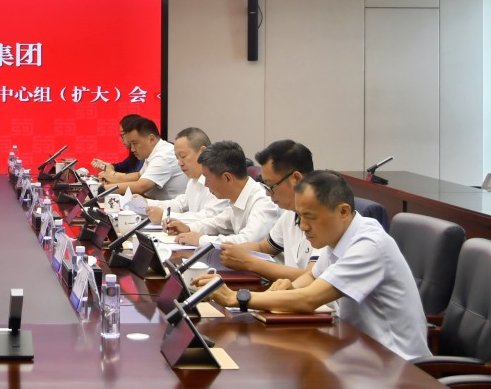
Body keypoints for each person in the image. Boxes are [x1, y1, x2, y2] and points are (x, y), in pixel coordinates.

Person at [194, 170, 430, 360]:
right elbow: (308, 281)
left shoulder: (369, 245)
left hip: (396, 364)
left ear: (343, 211)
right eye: (300, 216)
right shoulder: (339, 237)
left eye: (310, 217)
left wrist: (237, 298)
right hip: (358, 350)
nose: (303, 226)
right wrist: (285, 289)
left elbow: (310, 298)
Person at [218, 139, 319, 281]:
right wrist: (228, 251)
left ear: (296, 178)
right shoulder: (290, 214)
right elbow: (263, 247)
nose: (267, 193)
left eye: (271, 186)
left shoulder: (325, 219)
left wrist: (250, 263)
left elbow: (312, 278)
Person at [166, 140, 279, 245]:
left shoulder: (263, 201)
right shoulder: (238, 196)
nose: (205, 184)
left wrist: (200, 240)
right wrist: (189, 228)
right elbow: (217, 223)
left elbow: (248, 241)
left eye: (207, 178)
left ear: (227, 178)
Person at [142, 127, 228, 224]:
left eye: (183, 156)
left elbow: (209, 218)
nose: (180, 163)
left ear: (202, 153)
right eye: (177, 158)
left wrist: (165, 216)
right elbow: (179, 204)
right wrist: (146, 203)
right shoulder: (193, 181)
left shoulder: (219, 180)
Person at [96, 116, 187, 200]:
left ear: (151, 139)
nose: (132, 149)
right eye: (131, 144)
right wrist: (111, 180)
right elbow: (139, 176)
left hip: (168, 209)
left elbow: (140, 187)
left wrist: (102, 189)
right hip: (154, 203)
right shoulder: (153, 151)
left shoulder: (164, 156)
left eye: (135, 143)